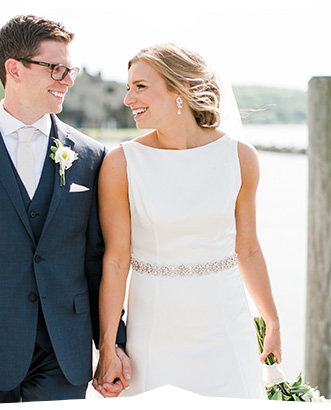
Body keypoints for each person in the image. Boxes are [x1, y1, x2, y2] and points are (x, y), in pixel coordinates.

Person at [0, 15, 127, 405]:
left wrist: (114, 344)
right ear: (13, 69)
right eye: (56, 68)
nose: (67, 79)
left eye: (70, 70)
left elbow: (98, 261)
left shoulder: (91, 156)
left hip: (65, 349)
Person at [93, 43, 281, 399]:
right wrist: (106, 346)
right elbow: (117, 261)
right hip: (154, 332)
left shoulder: (240, 158)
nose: (127, 98)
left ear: (179, 90)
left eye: (140, 86)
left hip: (226, 329)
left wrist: (272, 320)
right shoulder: (122, 163)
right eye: (128, 87)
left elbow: (249, 249)